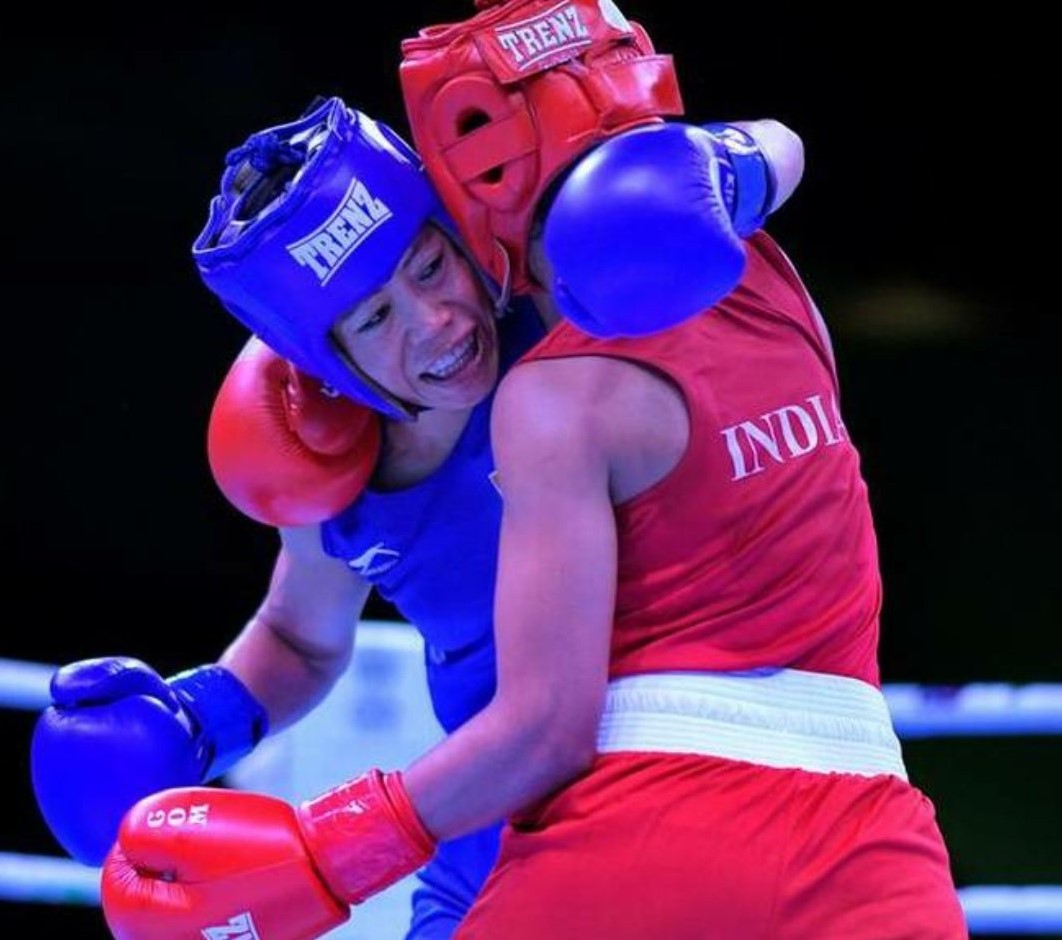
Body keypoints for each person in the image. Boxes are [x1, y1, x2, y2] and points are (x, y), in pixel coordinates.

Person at [96, 36, 966, 940]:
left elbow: (695, 179)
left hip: (640, 785)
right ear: (330, 362)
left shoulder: (575, 311)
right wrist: (202, 718)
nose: (434, 322)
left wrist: (731, 163)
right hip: (473, 832)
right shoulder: (334, 468)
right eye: (376, 318)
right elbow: (301, 638)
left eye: (430, 266)